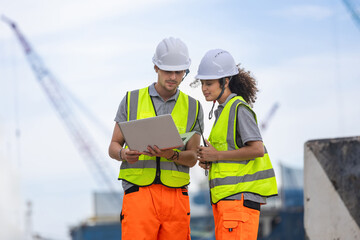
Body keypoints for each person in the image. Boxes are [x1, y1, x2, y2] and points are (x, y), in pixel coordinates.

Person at [108, 37, 204, 240]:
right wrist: (124, 154)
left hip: (176, 197)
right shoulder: (131, 100)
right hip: (139, 195)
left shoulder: (194, 107)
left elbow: (193, 157)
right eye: (168, 71)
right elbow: (113, 146)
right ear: (156, 67)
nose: (173, 77)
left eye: (179, 72)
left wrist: (172, 155)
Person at [195, 49, 278, 240]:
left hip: (238, 202)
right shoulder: (223, 112)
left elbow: (257, 149)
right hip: (227, 202)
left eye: (209, 83)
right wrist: (210, 159)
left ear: (225, 81)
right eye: (202, 83)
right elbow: (229, 155)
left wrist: (216, 156)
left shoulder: (238, 108)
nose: (204, 88)